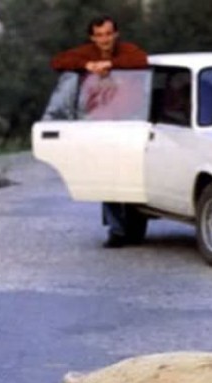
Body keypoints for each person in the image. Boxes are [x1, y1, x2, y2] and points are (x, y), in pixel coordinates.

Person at [51, 16, 148, 247]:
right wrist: (87, 65)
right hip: (102, 121)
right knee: (108, 175)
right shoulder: (86, 53)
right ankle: (117, 230)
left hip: (130, 119)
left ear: (116, 34)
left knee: (131, 173)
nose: (105, 40)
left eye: (108, 34)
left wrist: (110, 65)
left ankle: (131, 225)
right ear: (92, 37)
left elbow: (140, 60)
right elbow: (58, 61)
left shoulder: (128, 51)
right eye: (99, 35)